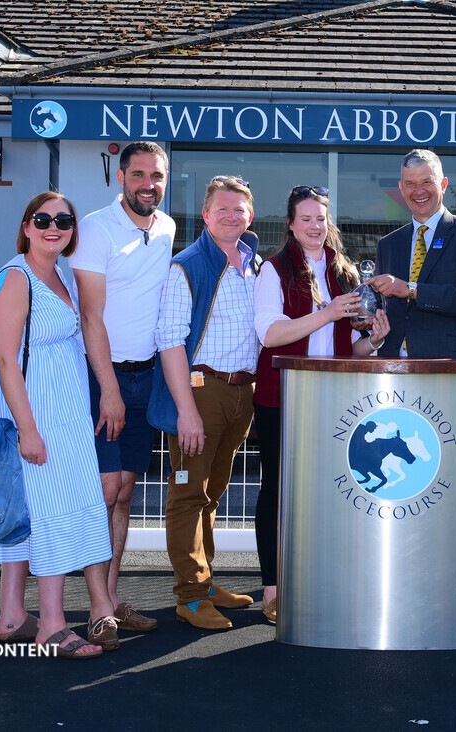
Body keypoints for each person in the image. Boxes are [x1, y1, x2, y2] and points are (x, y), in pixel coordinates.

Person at [0, 193, 115, 658]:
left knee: (33, 513)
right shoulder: (15, 276)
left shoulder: (62, 274)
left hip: (65, 413)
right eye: (44, 219)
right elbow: (6, 359)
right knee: (53, 511)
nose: (55, 227)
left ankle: (12, 616)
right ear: (27, 225)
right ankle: (51, 625)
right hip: (38, 413)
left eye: (64, 220)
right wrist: (28, 429)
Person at [252, 185, 388, 625]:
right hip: (283, 398)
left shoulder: (344, 272)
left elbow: (350, 348)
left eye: (321, 218)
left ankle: (327, 581)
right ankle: (273, 590)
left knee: (332, 494)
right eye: (306, 218)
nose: (315, 226)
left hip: (334, 401)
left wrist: (375, 339)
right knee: (278, 492)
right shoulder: (273, 270)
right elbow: (270, 335)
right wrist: (328, 313)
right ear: (290, 224)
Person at [70, 141, 173, 645]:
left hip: (146, 376)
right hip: (102, 375)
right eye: (138, 175)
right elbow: (91, 316)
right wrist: (108, 389)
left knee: (125, 493)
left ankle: (110, 599)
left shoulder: (169, 228)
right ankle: (97, 609)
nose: (147, 184)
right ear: (120, 178)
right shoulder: (94, 228)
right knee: (104, 492)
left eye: (156, 175)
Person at [148, 175, 260, 631]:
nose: (232, 216)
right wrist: (186, 411)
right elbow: (170, 341)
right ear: (205, 215)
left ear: (250, 215)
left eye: (240, 210)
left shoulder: (253, 263)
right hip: (201, 391)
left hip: (242, 391)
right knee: (187, 494)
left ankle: (206, 579)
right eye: (223, 209)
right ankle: (190, 596)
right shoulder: (188, 265)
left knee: (212, 494)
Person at [367, 149, 456, 358]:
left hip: (450, 366)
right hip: (392, 368)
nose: (419, 191)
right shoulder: (388, 244)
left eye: (427, 182)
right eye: (410, 184)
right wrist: (364, 313)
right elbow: (383, 306)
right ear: (401, 188)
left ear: (443, 185)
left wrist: (411, 290)